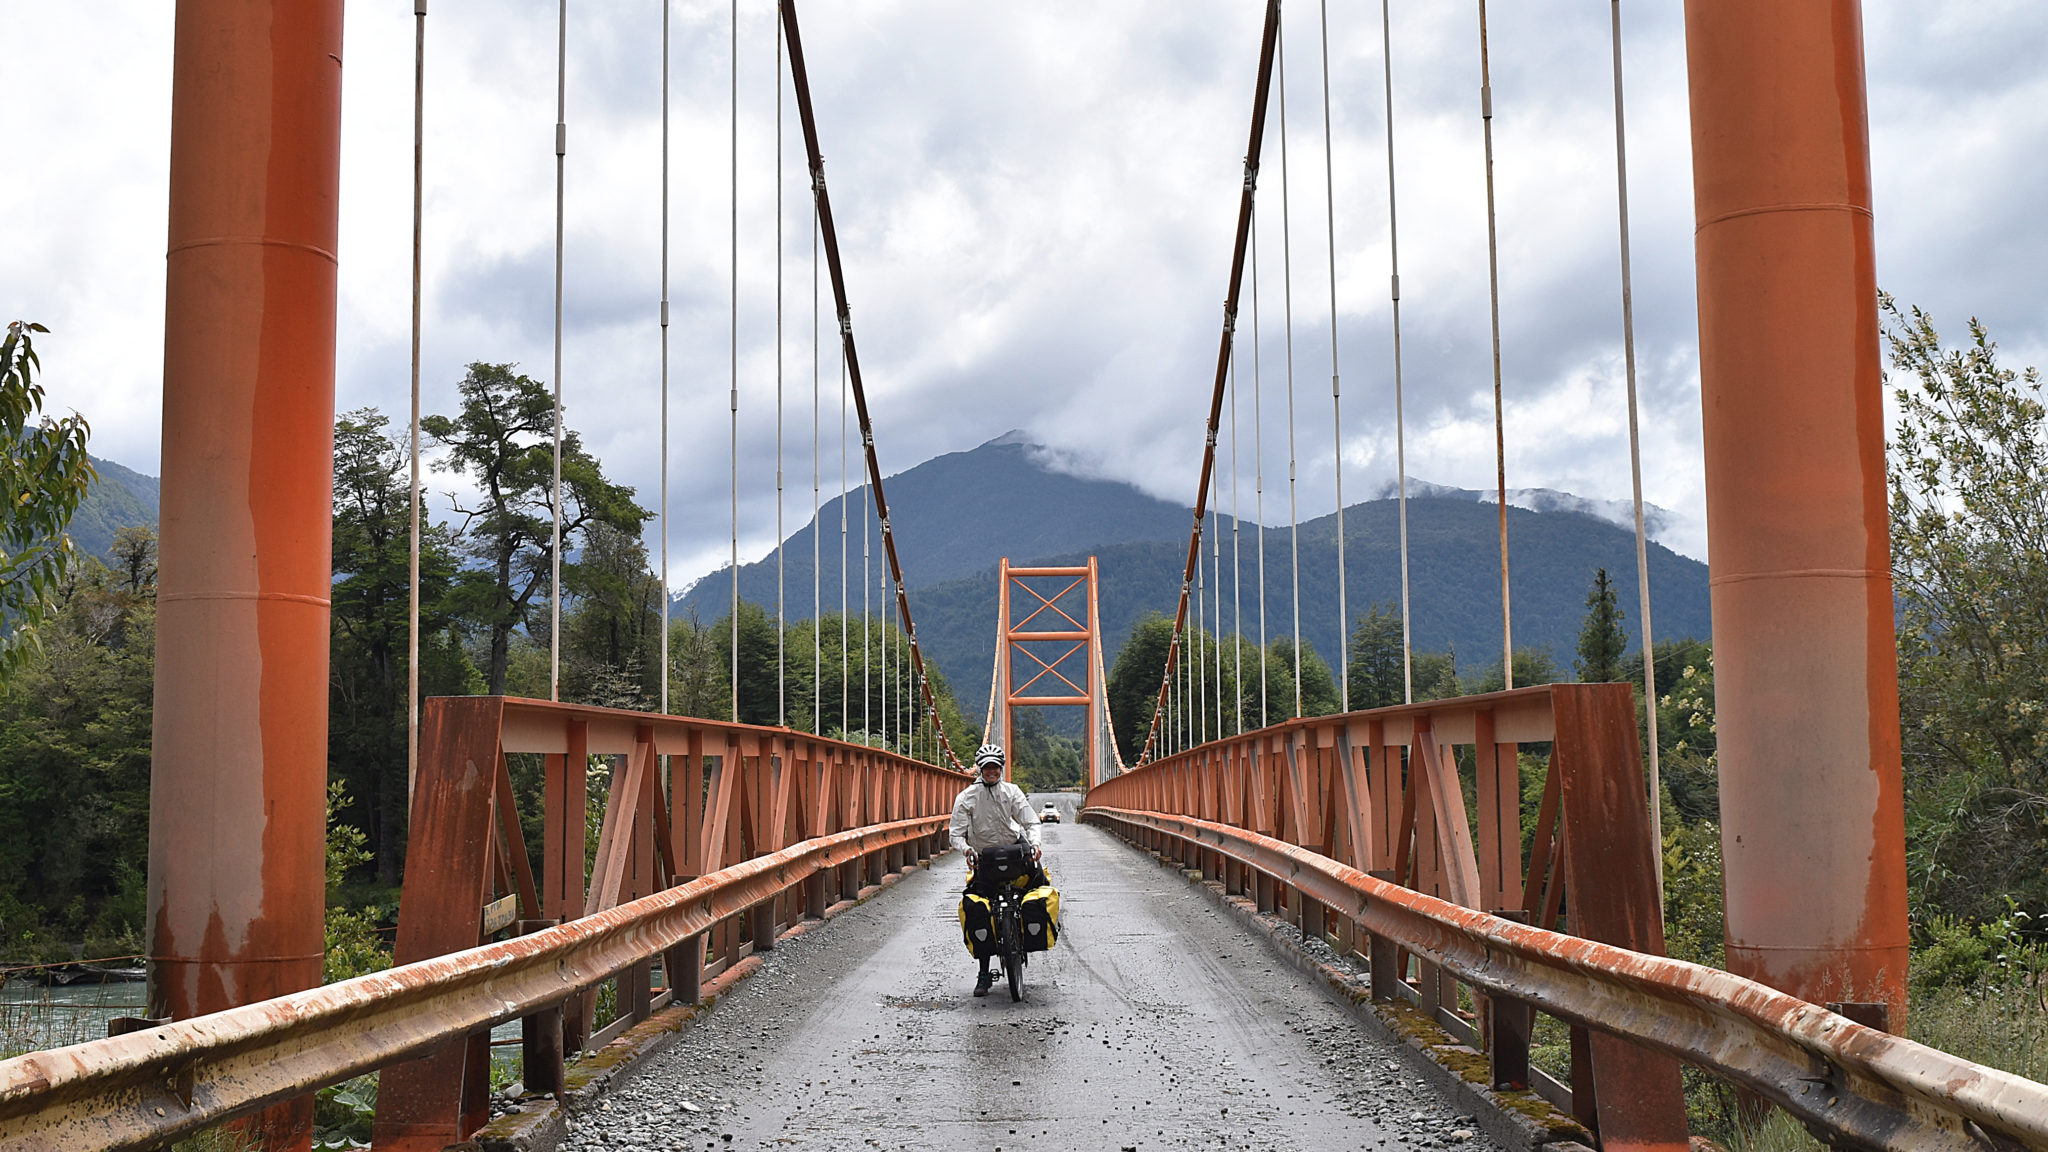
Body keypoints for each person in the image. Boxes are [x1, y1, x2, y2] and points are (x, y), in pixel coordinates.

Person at [949, 742, 1041, 995]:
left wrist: (1035, 844)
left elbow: (1031, 821)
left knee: (1040, 884)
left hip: (1014, 850)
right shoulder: (966, 797)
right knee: (978, 908)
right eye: (987, 767)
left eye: (996, 767)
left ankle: (1033, 932)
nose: (992, 771)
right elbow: (955, 834)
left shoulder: (1012, 791)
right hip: (985, 857)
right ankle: (983, 974)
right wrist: (967, 850)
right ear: (980, 769)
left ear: (1001, 768)